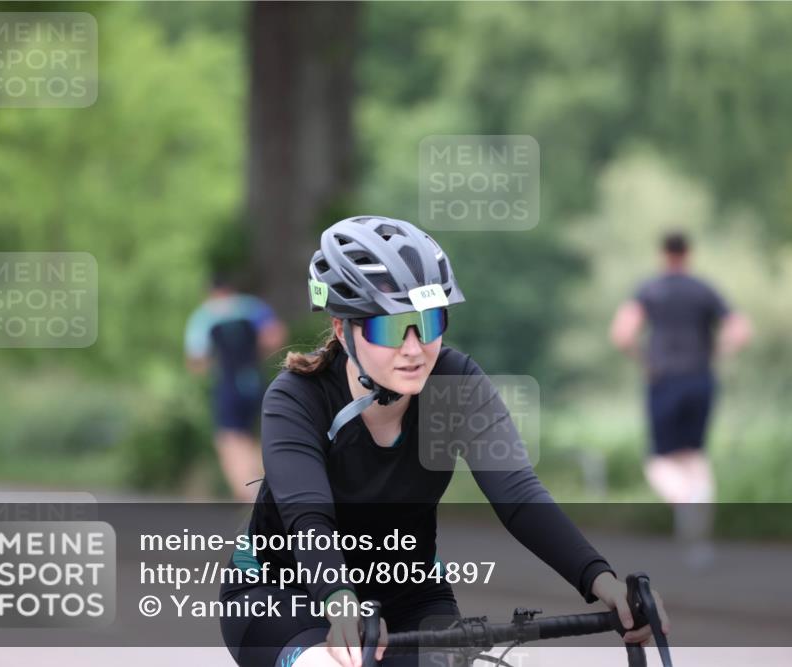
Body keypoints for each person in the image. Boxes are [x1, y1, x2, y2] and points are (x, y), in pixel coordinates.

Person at [218, 215, 668, 667]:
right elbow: (307, 519)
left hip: (410, 594)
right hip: (285, 592)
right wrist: (339, 603)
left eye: (429, 323)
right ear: (342, 330)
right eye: (391, 328)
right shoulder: (298, 396)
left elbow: (517, 495)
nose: (414, 349)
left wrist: (603, 583)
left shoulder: (455, 383)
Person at [609, 231, 751, 563]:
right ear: (688, 254)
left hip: (665, 380)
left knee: (659, 462)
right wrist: (718, 351)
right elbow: (741, 329)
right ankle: (697, 545)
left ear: (663, 255)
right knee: (694, 458)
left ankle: (684, 500)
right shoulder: (704, 290)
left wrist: (644, 360)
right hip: (701, 379)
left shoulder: (650, 289)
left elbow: (621, 334)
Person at [185, 273, 286, 501]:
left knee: (229, 440)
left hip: (228, 383)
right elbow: (275, 336)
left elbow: (196, 360)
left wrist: (212, 365)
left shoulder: (204, 316)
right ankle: (268, 487)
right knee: (251, 437)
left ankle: (248, 493)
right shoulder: (251, 307)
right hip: (254, 378)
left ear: (210, 292)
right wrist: (258, 354)